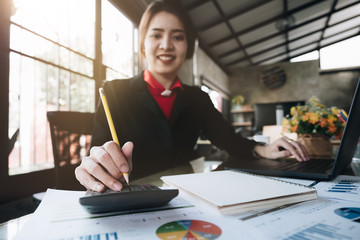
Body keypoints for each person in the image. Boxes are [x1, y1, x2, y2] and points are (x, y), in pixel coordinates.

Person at [75, 0, 309, 192]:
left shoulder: (198, 98)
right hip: (132, 196)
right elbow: (99, 150)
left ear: (188, 47)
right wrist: (96, 162)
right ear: (143, 45)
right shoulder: (114, 92)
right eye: (156, 35)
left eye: (177, 37)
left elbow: (229, 139)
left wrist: (264, 149)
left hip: (187, 195)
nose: (166, 45)